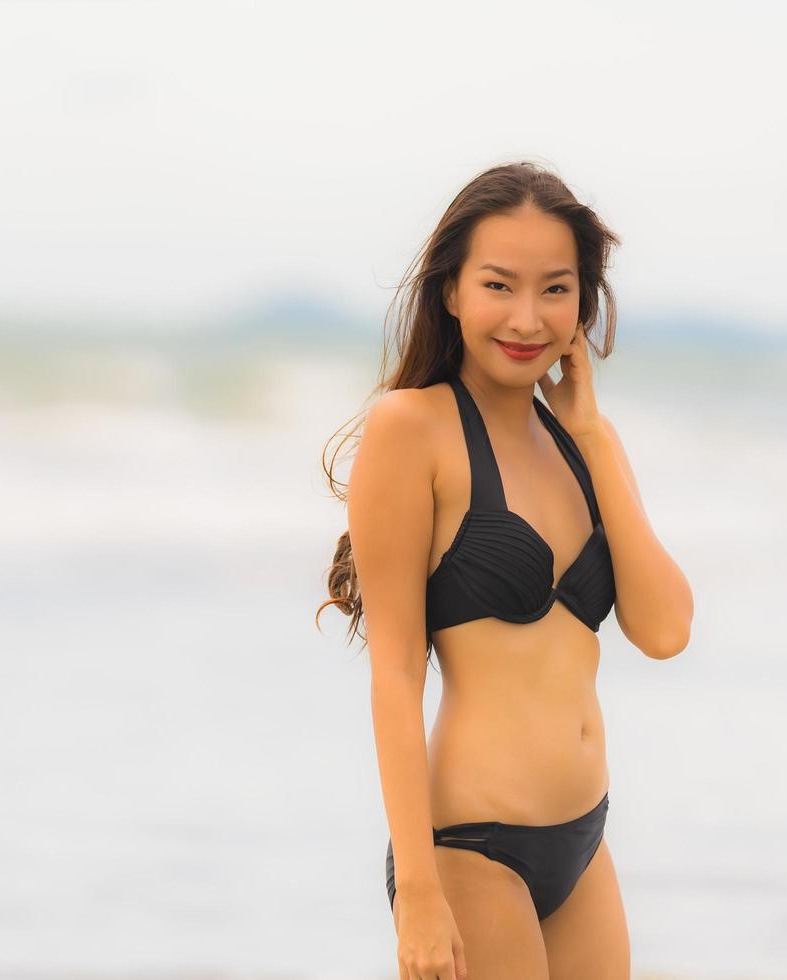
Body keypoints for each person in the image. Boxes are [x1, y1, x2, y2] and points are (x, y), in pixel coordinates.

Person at [316, 161, 694, 980]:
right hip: (469, 852)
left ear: (583, 304)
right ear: (451, 291)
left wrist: (593, 436)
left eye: (556, 290)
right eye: (499, 285)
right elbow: (394, 673)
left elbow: (664, 631)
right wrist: (417, 889)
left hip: (585, 843)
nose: (527, 318)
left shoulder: (580, 443)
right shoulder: (411, 428)